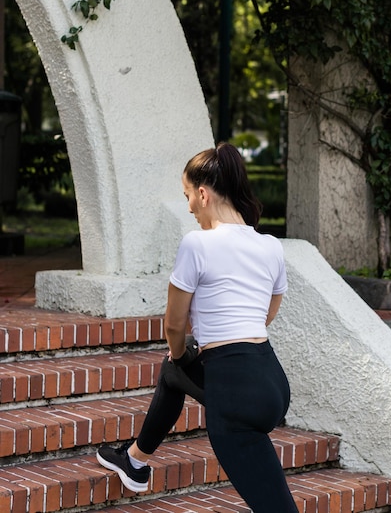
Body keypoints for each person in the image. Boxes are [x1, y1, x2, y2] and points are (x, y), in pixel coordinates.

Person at [96, 142, 298, 513]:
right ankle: (135, 461)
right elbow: (268, 313)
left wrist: (181, 353)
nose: (189, 206)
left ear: (203, 194)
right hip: (272, 381)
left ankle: (136, 461)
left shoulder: (197, 244)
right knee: (174, 372)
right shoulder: (270, 245)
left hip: (234, 393)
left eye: (188, 195)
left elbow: (174, 324)